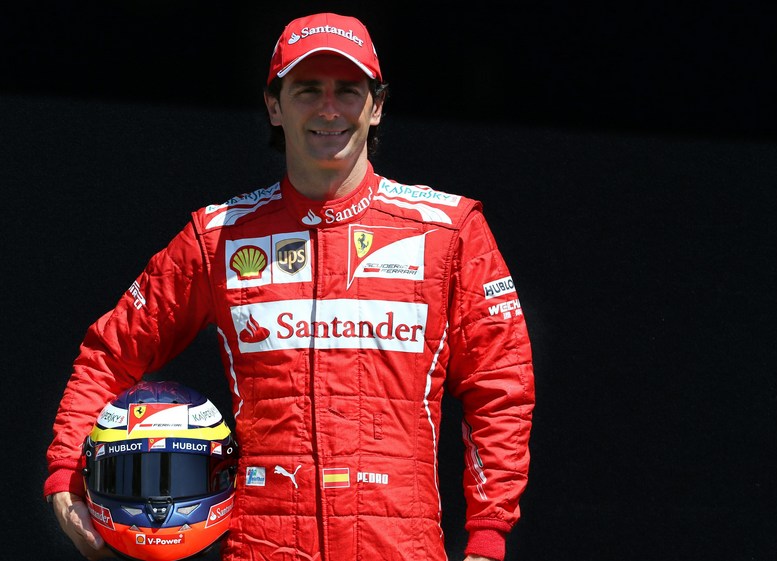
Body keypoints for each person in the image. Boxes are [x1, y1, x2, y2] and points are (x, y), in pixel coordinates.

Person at [45, 12, 535, 561]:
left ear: (376, 106)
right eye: (307, 90)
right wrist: (66, 471)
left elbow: (502, 388)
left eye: (347, 90)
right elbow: (109, 353)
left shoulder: (449, 232)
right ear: (274, 106)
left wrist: (488, 535)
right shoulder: (220, 236)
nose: (329, 109)